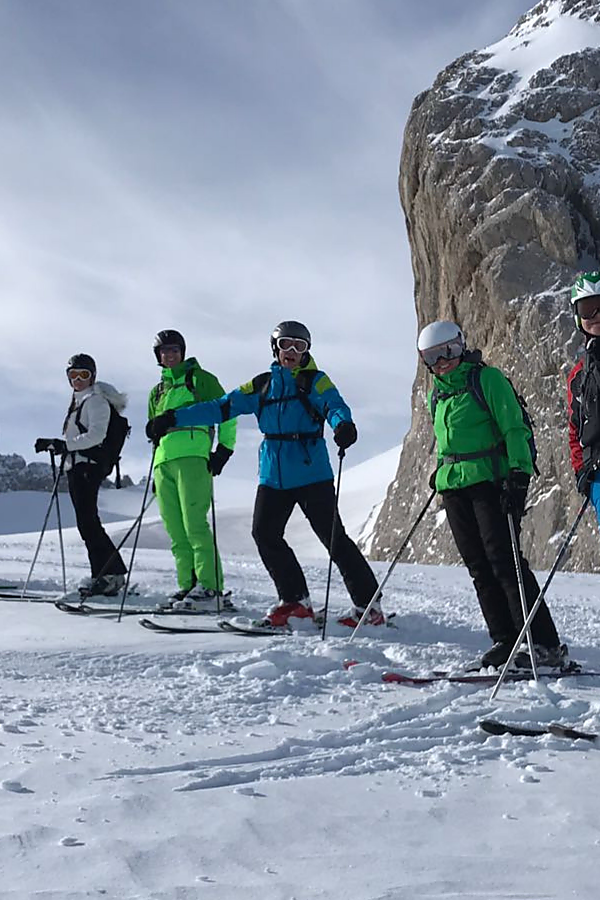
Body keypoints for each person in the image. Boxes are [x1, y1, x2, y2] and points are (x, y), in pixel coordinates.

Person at [146, 321, 383, 629]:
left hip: (311, 471)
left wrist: (342, 424)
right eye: (286, 344)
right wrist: (174, 417)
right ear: (276, 348)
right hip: (273, 475)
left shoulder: (315, 380)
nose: (292, 352)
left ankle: (369, 607)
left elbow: (334, 405)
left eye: (300, 346)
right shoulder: (261, 385)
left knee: (333, 537)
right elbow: (221, 407)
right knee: (265, 534)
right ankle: (295, 602)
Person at [418, 320, 565, 669]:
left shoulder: (487, 379)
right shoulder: (436, 395)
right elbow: (446, 442)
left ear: (461, 346)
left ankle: (542, 644)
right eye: (432, 357)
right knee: (478, 566)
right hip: (455, 488)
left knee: (505, 561)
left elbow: (513, 427)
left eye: (448, 351)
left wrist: (519, 475)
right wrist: (441, 471)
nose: (442, 362)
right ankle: (505, 639)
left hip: (491, 482)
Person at [146, 330, 237, 611]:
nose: (169, 355)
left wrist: (224, 450)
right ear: (158, 357)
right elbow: (155, 432)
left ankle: (210, 587)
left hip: (193, 457)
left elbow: (227, 410)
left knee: (195, 524)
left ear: (182, 352)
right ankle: (187, 585)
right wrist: (154, 467)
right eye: (164, 351)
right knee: (175, 529)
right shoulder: (157, 392)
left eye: (174, 350)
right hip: (164, 463)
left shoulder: (200, 379)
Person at [35, 353, 128, 596]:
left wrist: (64, 445)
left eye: (83, 375)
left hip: (87, 466)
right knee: (86, 522)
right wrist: (58, 445)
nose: (78, 379)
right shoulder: (80, 401)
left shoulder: (95, 401)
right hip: (78, 466)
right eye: (73, 375)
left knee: (88, 522)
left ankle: (110, 574)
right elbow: (77, 437)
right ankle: (104, 573)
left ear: (92, 376)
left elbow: (96, 435)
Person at [568, 271, 600, 520]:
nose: (596, 316)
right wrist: (581, 469)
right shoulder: (579, 375)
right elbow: (575, 426)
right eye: (588, 309)